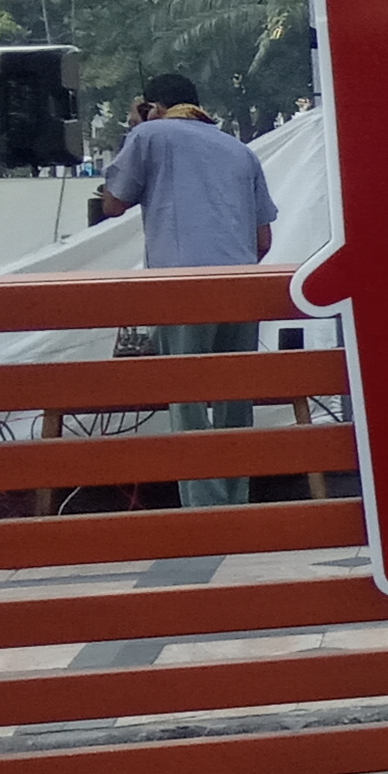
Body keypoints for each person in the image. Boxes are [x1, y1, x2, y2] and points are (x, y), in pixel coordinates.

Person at [92, 72, 277, 510]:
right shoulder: (239, 150)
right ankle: (236, 502)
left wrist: (135, 128)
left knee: (188, 398)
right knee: (235, 400)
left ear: (152, 107)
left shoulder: (149, 135)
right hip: (242, 286)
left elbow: (113, 203)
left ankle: (204, 507)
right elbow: (263, 240)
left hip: (181, 286)